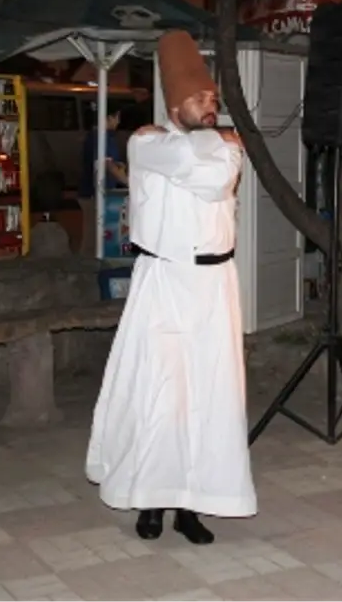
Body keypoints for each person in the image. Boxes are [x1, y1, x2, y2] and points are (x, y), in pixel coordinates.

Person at [85, 30, 256, 545]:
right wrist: (219, 142)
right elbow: (195, 169)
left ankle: (191, 505)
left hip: (215, 284)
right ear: (174, 104)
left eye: (213, 98)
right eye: (199, 99)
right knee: (160, 390)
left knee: (211, 393)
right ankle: (151, 500)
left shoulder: (219, 148)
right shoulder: (146, 143)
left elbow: (216, 179)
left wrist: (217, 143)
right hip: (165, 280)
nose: (210, 106)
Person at [77, 108, 127, 256]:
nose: (118, 122)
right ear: (109, 117)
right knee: (93, 239)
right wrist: (127, 181)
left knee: (95, 237)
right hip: (94, 193)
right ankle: (85, 267)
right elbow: (108, 165)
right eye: (117, 117)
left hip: (95, 192)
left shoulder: (97, 136)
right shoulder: (101, 138)